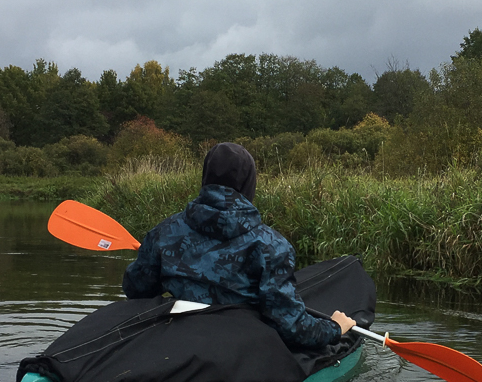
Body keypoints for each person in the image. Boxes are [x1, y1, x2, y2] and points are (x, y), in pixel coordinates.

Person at [122, 142, 356, 349]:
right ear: (249, 184)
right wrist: (335, 328)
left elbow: (136, 290)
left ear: (206, 178)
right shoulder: (272, 246)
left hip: (177, 345)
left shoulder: (164, 232)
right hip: (236, 354)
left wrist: (148, 257)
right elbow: (293, 328)